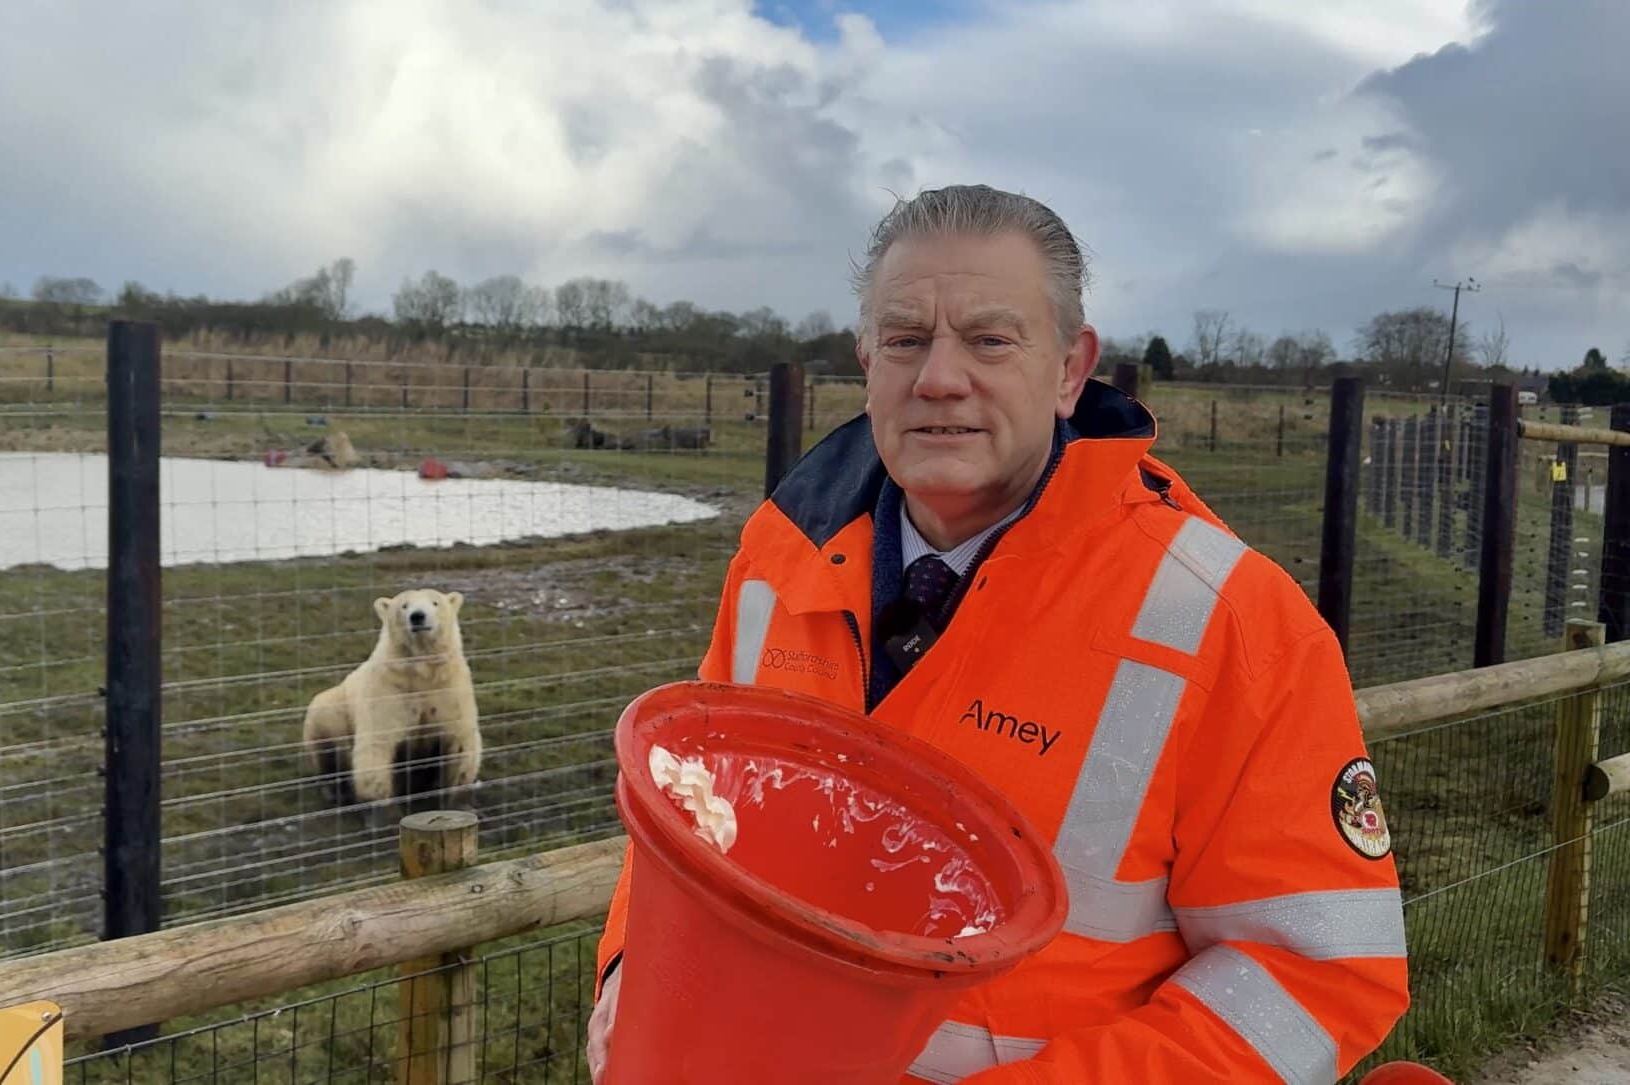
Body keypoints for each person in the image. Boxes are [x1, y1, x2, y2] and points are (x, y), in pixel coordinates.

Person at [585, 185, 1408, 1083]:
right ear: (867, 361)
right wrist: (636, 970)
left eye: (989, 339)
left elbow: (1314, 976)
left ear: (1069, 369)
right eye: (905, 339)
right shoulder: (777, 559)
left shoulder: (1230, 622)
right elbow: (684, 818)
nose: (939, 376)